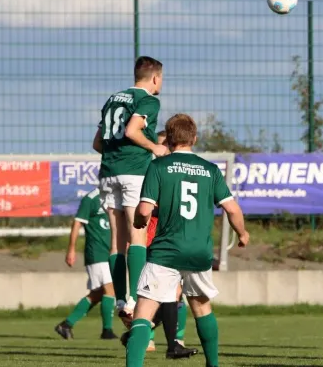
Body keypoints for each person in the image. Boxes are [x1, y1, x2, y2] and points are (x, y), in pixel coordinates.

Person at [125, 113, 250, 367]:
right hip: (199, 253)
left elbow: (144, 210)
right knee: (202, 308)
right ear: (194, 138)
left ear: (169, 139)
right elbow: (233, 210)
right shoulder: (210, 170)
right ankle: (213, 364)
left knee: (144, 313)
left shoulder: (158, 166)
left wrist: (139, 222)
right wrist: (243, 234)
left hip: (166, 252)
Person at [92, 56, 168, 329]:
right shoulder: (149, 100)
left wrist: (117, 155)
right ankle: (135, 299)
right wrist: (153, 147)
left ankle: (123, 303)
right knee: (138, 235)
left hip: (108, 172)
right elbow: (133, 130)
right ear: (155, 78)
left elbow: (98, 143)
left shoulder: (113, 98)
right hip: (134, 172)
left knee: (116, 241)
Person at [120, 130, 197, 359]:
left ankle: (162, 337)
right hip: (154, 241)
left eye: (168, 145)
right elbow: (143, 209)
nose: (166, 150)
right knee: (166, 294)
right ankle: (161, 340)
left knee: (173, 294)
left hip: (175, 241)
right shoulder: (154, 172)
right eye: (162, 146)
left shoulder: (177, 172)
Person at [54, 188, 118, 340]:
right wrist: (71, 249)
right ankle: (107, 331)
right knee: (110, 289)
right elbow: (77, 223)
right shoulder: (91, 199)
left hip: (110, 253)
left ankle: (66, 324)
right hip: (97, 252)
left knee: (98, 294)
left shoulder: (115, 197)